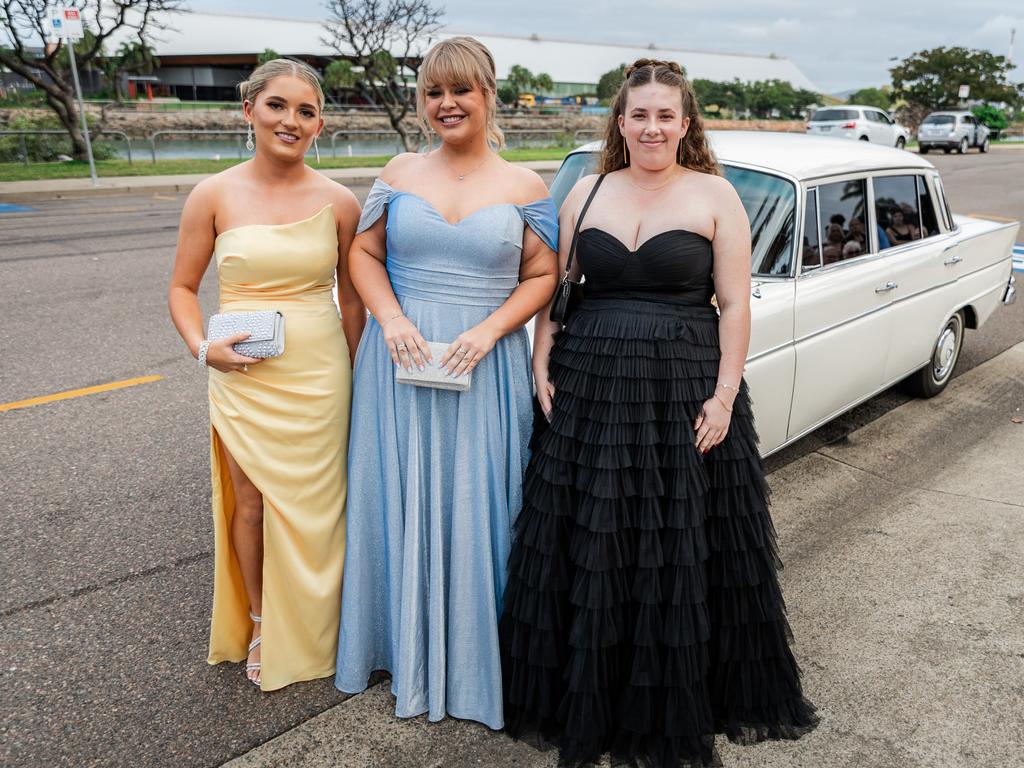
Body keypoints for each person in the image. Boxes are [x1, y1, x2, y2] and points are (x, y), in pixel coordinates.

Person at [500, 59, 818, 768]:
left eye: (665, 115)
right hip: (589, 385)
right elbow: (558, 286)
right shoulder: (586, 191)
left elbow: (734, 304)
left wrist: (725, 395)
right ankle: (586, 698)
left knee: (674, 540)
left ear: (684, 123)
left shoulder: (715, 194)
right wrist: (540, 359)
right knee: (591, 536)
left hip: (683, 386)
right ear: (621, 121)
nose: (651, 126)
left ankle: (670, 701)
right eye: (638, 114)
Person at [334, 37, 558, 729]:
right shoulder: (400, 171)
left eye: (460, 90)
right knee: (395, 495)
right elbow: (361, 252)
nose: (446, 104)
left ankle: (471, 662)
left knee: (480, 503)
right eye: (433, 92)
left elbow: (543, 275)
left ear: (489, 94)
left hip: (480, 369)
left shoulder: (526, 185)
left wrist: (491, 331)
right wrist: (391, 316)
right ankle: (398, 648)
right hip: (397, 366)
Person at [168, 59, 364, 690]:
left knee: (320, 507)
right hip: (242, 377)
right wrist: (204, 348)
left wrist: (364, 380)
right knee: (249, 504)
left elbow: (354, 301)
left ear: (320, 125)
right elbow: (179, 288)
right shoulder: (213, 195)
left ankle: (325, 624)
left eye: (306, 111)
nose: (291, 120)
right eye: (277, 105)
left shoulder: (340, 201)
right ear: (248, 110)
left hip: (321, 376)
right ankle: (259, 619)